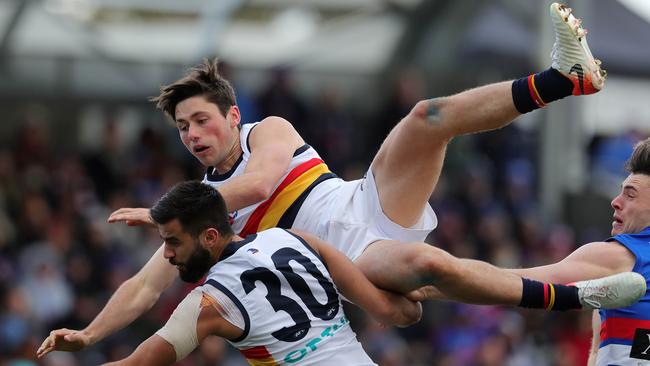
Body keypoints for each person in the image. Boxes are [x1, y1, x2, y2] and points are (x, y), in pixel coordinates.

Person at [38, 3, 638, 355]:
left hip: (364, 198)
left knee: (426, 118)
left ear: (232, 116)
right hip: (354, 257)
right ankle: (573, 296)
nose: (192, 134)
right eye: (181, 128)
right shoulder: (197, 213)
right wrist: (88, 335)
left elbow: (257, 184)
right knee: (430, 270)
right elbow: (145, 287)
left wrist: (162, 211)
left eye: (201, 119)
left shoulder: (265, 133)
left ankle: (568, 79)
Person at [39, 181, 422, 365]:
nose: (167, 255)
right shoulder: (292, 239)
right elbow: (397, 313)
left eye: (172, 243)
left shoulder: (210, 302)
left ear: (209, 236)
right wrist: (415, 303)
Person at [501, 138, 650, 366]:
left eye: (630, 195)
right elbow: (515, 284)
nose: (615, 202)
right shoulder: (618, 257)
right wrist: (440, 280)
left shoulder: (622, 258)